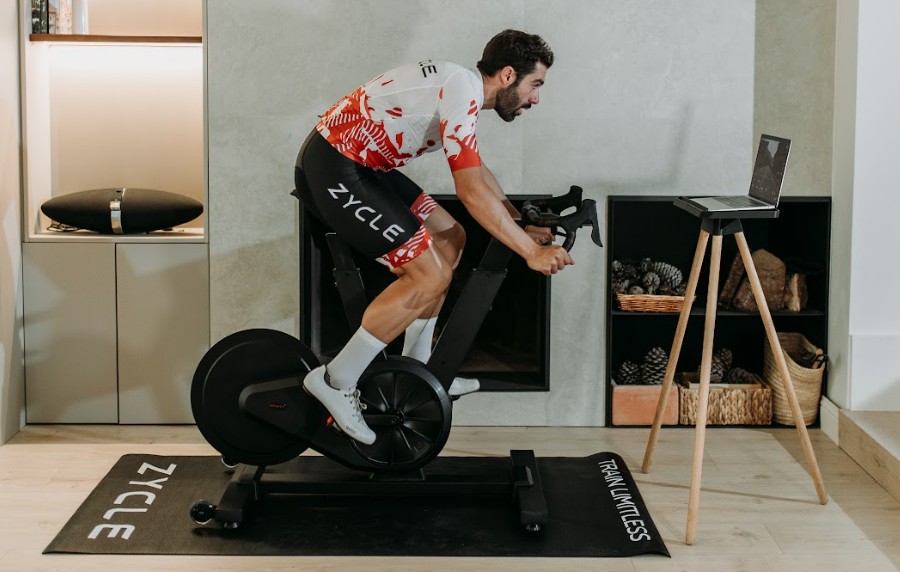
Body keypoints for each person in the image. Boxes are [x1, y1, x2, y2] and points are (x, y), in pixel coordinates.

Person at [295, 29, 574, 444]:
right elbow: (469, 190)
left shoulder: (462, 88)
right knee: (428, 275)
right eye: (536, 85)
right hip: (336, 167)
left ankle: (421, 370)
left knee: (451, 237)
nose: (536, 98)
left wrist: (520, 222)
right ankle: (337, 380)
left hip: (366, 169)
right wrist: (529, 252)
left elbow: (477, 174)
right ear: (509, 74)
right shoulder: (461, 87)